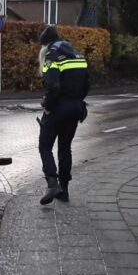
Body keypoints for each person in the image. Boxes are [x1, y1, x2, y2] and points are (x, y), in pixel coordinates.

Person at [37, 25, 90, 205]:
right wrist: (76, 101)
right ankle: (64, 190)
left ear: (45, 45)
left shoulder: (51, 56)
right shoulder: (78, 55)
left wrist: (47, 105)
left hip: (58, 107)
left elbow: (53, 87)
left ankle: (52, 183)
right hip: (76, 108)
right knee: (65, 148)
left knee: (45, 145)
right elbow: (87, 86)